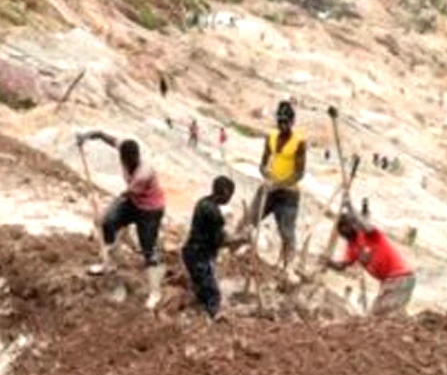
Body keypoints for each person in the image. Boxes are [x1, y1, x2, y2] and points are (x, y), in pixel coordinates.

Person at [76, 130, 167, 308]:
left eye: (133, 159)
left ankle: (155, 292)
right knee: (109, 223)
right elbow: (103, 135)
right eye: (127, 159)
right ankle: (108, 263)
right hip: (134, 202)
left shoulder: (143, 173)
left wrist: (103, 211)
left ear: (137, 156)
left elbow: (123, 195)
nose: (129, 162)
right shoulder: (123, 149)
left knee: (148, 249)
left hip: (150, 210)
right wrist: (86, 136)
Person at [240, 100, 306, 270]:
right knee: (249, 219)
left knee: (287, 232)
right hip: (269, 188)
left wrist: (280, 184)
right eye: (280, 121)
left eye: (286, 121)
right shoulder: (271, 137)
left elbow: (299, 173)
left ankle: (288, 267)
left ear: (292, 122)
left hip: (289, 194)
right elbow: (263, 164)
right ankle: (238, 251)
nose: (283, 125)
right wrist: (266, 174)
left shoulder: (299, 142)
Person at [326, 204, 415, 316]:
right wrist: (328, 263)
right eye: (341, 228)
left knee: (386, 315)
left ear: (354, 225)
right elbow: (343, 265)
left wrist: (351, 208)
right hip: (388, 281)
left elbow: (366, 225)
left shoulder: (370, 235)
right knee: (378, 314)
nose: (344, 230)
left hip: (401, 277)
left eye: (346, 226)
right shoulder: (351, 246)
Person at [182, 176, 247, 319]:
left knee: (201, 290)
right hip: (199, 256)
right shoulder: (214, 213)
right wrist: (242, 239)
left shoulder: (203, 202)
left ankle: (196, 315)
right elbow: (220, 241)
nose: (230, 198)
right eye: (230, 194)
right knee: (213, 295)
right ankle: (210, 320)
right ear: (225, 192)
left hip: (192, 252)